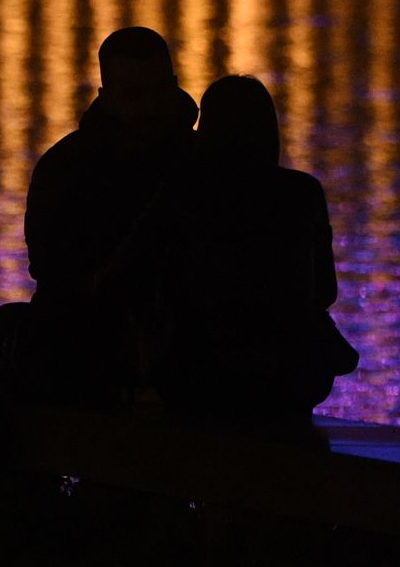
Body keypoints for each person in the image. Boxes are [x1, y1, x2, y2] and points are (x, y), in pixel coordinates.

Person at [0, 25, 196, 535]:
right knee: (5, 334)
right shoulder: (180, 164)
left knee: (3, 336)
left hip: (172, 338)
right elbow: (55, 272)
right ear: (107, 95)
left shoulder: (81, 165)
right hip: (100, 335)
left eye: (154, 93)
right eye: (134, 95)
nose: (147, 109)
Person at [145, 74, 359, 425]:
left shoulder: (183, 194)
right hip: (290, 376)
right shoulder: (302, 193)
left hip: (199, 375)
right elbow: (325, 290)